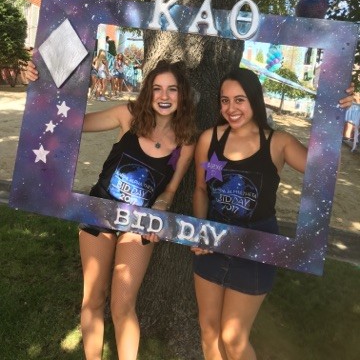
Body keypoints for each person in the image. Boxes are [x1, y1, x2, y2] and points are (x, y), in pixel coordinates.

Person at [25, 59, 197, 360]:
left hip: (138, 224)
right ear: (148, 93)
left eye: (172, 89)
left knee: (122, 306)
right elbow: (72, 123)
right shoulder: (127, 116)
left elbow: (169, 190)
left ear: (182, 95)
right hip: (97, 213)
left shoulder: (186, 141)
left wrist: (158, 210)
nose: (164, 96)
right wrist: (43, 86)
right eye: (157, 89)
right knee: (92, 299)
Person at [191, 67, 354, 360]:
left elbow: (326, 171)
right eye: (225, 100)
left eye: (239, 100)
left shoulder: (278, 142)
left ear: (254, 99)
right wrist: (201, 230)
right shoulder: (208, 139)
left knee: (233, 339)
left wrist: (336, 117)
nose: (231, 108)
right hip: (212, 246)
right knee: (209, 330)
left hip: (257, 248)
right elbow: (201, 190)